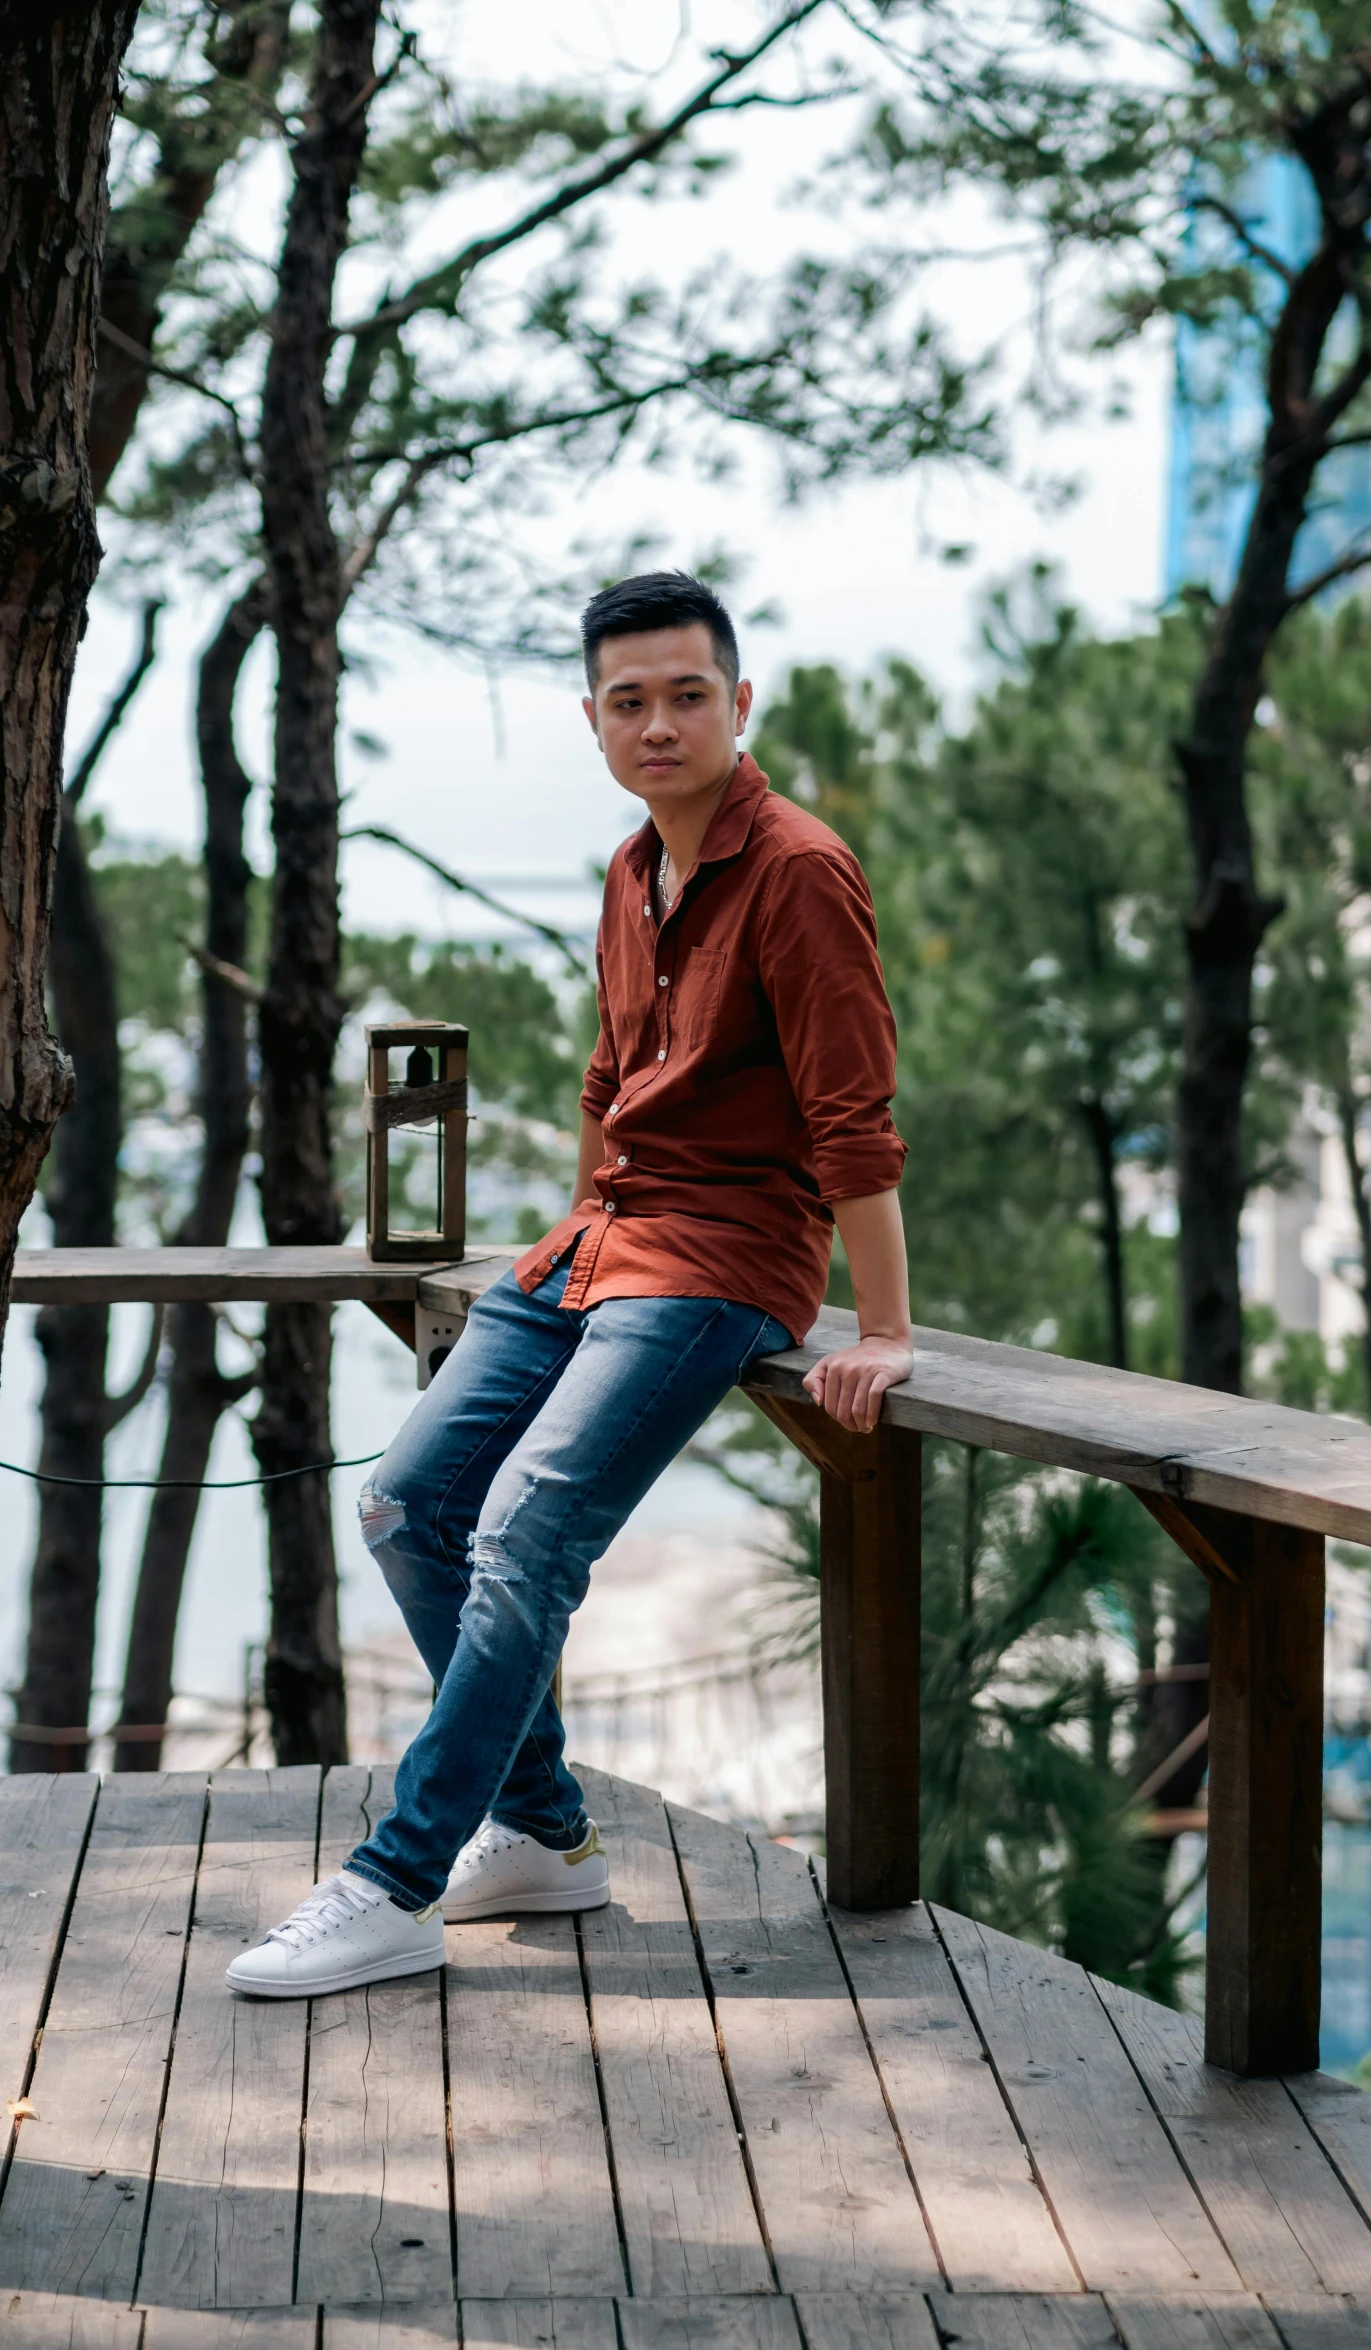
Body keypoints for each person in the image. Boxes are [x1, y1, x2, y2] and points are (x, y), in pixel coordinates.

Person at [228, 571, 915, 1998]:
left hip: (725, 1254)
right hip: (603, 1239)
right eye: (628, 701)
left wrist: (888, 1329)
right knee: (406, 1501)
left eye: (685, 694)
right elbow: (612, 1078)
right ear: (594, 720)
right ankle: (545, 1827)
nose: (657, 723)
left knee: (528, 1525)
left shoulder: (796, 869)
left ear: (740, 701)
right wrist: (583, 1220)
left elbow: (852, 1116)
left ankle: (394, 1878)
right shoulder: (628, 868)